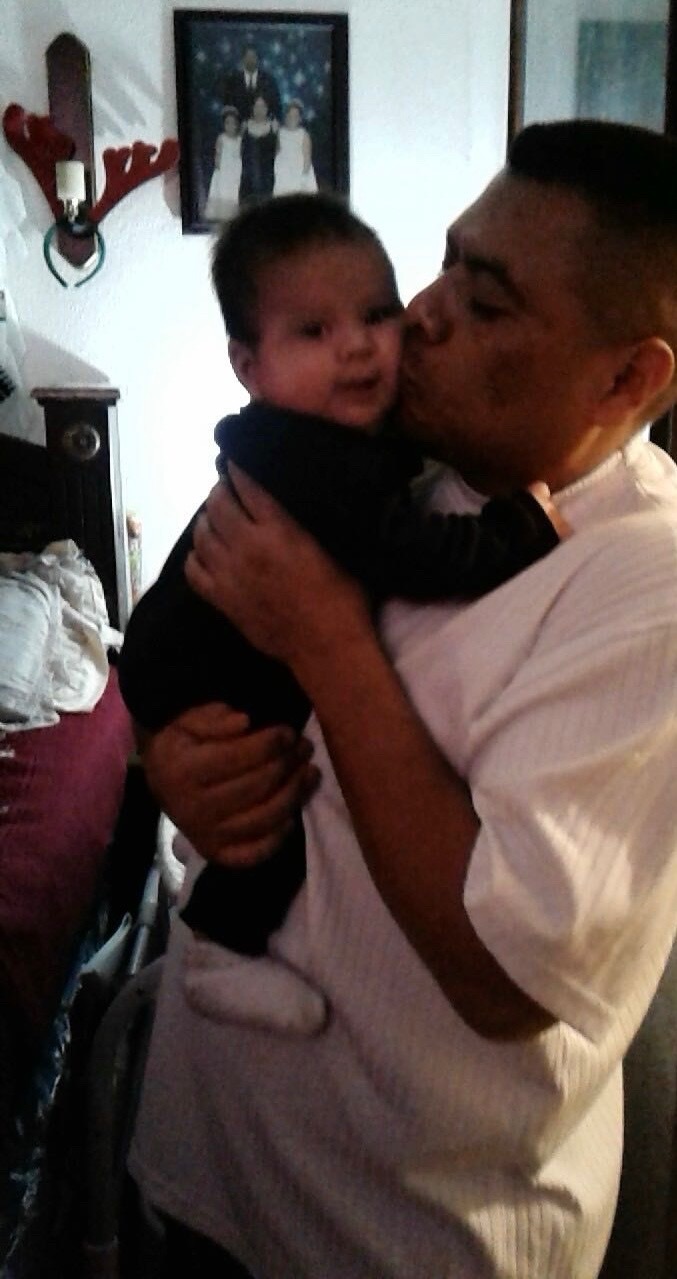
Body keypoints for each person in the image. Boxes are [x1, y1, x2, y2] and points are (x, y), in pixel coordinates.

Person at [129, 120, 677, 1279]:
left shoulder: (647, 580)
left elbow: (501, 974)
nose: (416, 317)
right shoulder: (410, 453)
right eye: (440, 266)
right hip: (208, 1170)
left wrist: (323, 635)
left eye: (484, 303)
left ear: (626, 377)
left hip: (394, 1237)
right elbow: (198, 619)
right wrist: (170, 755)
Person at [118, 192, 561, 1035]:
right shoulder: (308, 457)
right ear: (249, 367)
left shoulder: (332, 435)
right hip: (197, 659)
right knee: (268, 800)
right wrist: (520, 529)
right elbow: (412, 554)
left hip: (192, 647)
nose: (357, 346)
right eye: (313, 331)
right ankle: (216, 946)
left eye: (375, 314)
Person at [222, 44, 282, 125]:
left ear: (258, 59)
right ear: (242, 59)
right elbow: (227, 108)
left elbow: (276, 107)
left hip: (264, 128)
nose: (250, 60)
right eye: (247, 57)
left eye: (253, 56)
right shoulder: (232, 81)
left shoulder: (269, 81)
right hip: (237, 128)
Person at [204, 107, 242, 223]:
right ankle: (220, 216)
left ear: (237, 125)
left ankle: (230, 216)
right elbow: (218, 154)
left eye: (233, 123)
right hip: (224, 170)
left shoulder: (239, 139)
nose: (230, 126)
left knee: (232, 193)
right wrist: (218, 168)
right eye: (227, 123)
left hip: (235, 170)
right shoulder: (221, 138)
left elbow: (240, 154)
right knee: (222, 191)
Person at [273, 100, 318, 196]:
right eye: (289, 116)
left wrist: (304, 177)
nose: (292, 118)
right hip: (284, 172)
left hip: (299, 171)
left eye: (295, 116)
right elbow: (277, 152)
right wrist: (277, 169)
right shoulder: (280, 133)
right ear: (285, 117)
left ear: (300, 119)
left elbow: (307, 158)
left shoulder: (304, 134)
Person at [239, 95, 278, 204]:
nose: (259, 110)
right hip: (248, 180)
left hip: (267, 180)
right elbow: (239, 151)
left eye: (262, 106)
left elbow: (278, 151)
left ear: (267, 108)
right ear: (252, 108)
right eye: (257, 106)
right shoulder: (245, 126)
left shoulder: (274, 127)